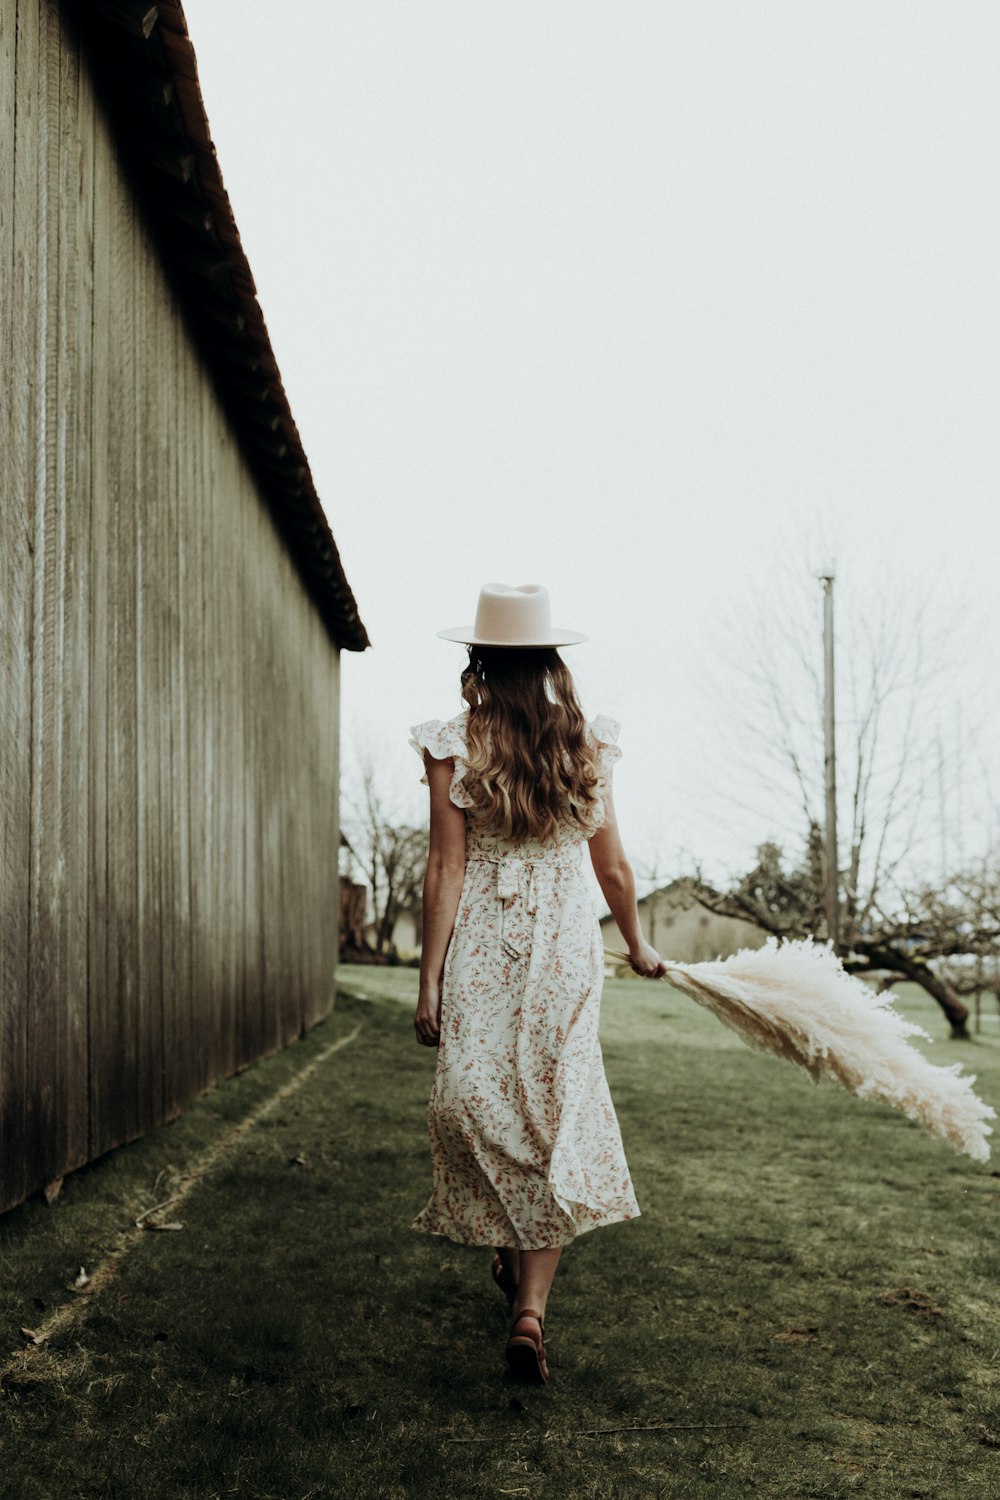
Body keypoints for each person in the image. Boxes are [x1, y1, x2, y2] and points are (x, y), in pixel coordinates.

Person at [409, 582, 666, 1384]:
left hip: (490, 940)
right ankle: (530, 1300)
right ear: (552, 660)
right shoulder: (577, 742)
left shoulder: (468, 740)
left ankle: (525, 1304)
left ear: (478, 660)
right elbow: (613, 867)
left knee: (474, 1103)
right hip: (557, 943)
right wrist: (637, 943)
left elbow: (446, 865)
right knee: (549, 1110)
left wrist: (429, 979)